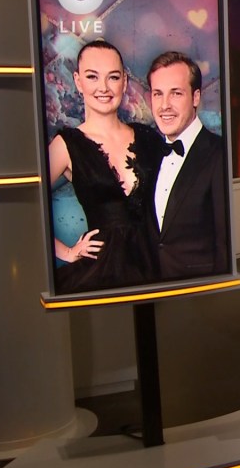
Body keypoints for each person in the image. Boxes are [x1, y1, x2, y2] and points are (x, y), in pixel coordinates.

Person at [47, 40, 161, 294]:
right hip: (102, 273)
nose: (104, 87)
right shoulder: (66, 145)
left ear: (124, 81)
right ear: (78, 82)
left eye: (113, 77)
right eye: (92, 76)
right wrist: (67, 252)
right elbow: (29, 206)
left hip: (157, 264)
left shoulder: (148, 138)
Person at [146, 51, 230, 280]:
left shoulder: (219, 154)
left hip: (200, 292)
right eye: (158, 94)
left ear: (195, 97)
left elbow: (225, 242)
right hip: (153, 288)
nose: (164, 105)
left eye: (176, 93)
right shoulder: (149, 153)